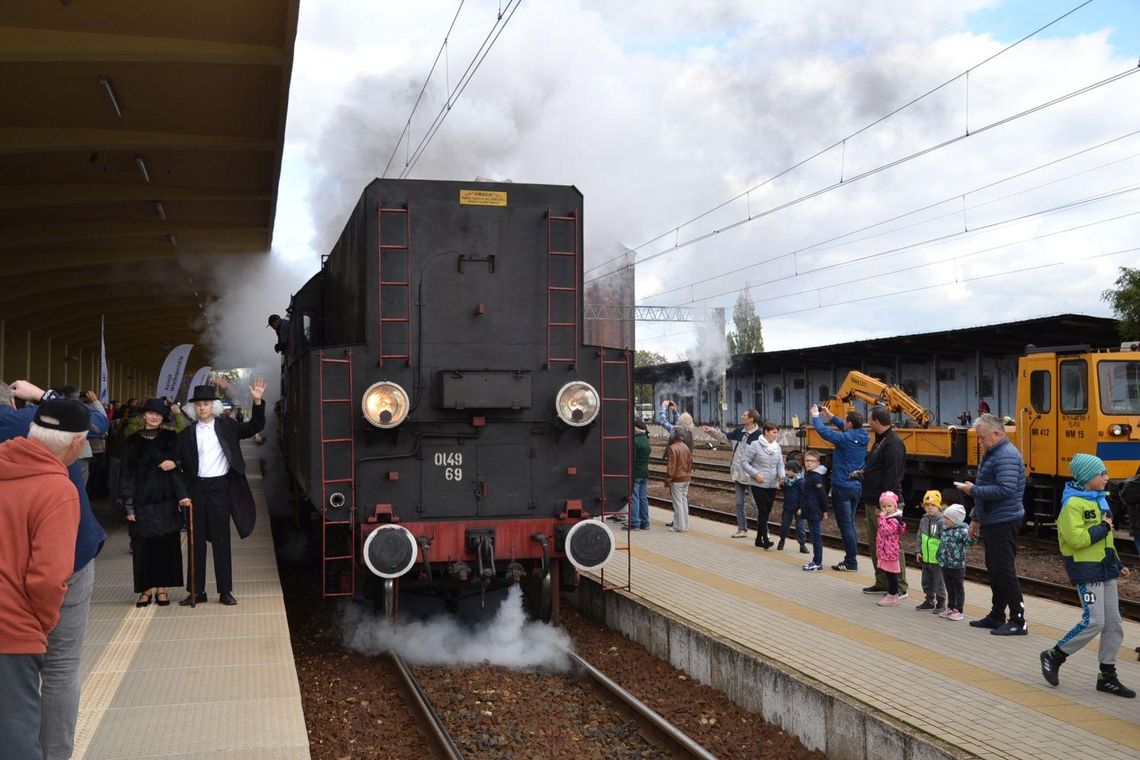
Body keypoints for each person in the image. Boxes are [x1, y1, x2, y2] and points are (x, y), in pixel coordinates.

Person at [2, 381, 107, 760]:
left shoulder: (14, 443)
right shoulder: (47, 443)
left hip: (10, 572)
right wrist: (43, 395)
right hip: (67, 564)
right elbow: (95, 421)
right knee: (60, 670)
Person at [1039, 454, 1134, 698]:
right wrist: (1103, 528)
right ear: (1086, 477)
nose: (1107, 478)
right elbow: (1076, 540)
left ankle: (1107, 675)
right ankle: (1055, 655)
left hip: (1105, 568)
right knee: (1094, 621)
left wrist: (1117, 562)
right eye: (1102, 474)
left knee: (1114, 624)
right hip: (1086, 570)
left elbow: (1108, 539)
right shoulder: (1072, 505)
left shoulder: (1099, 500)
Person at [178, 380, 267, 606]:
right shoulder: (186, 434)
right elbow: (178, 464)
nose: (202, 408)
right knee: (195, 542)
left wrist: (257, 401)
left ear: (214, 407)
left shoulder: (227, 426)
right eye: (198, 404)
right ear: (192, 409)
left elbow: (255, 425)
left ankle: (225, 590)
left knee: (221, 541)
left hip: (220, 488)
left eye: (206, 404)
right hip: (196, 490)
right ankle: (196, 592)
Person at [956, 413, 1027, 635]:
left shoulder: (1006, 455)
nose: (980, 442)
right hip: (993, 518)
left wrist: (972, 490)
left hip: (1004, 520)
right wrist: (976, 517)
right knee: (995, 569)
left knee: (1004, 570)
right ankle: (997, 615)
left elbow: (1005, 490)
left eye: (982, 438)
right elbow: (987, 486)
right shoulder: (994, 452)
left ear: (997, 434)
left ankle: (1018, 620)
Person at [120, 399, 188, 608]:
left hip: (167, 499)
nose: (155, 417)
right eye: (151, 413)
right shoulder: (132, 441)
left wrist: (175, 463)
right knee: (142, 546)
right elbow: (126, 474)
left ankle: (162, 588)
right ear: (144, 416)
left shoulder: (171, 437)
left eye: (158, 414)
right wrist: (128, 504)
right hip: (142, 501)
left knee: (166, 545)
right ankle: (146, 589)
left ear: (163, 417)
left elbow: (185, 460)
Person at [810, 406, 869, 572]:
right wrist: (831, 416)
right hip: (856, 486)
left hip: (841, 486)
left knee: (846, 525)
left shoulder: (844, 438)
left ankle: (851, 562)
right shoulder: (864, 435)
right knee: (849, 523)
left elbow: (823, 432)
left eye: (845, 421)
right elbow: (846, 429)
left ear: (849, 423)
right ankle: (851, 559)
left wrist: (816, 416)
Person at [857, 407, 908, 596]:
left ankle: (899, 586)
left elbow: (893, 475)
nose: (868, 424)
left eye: (869, 420)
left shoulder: (893, 444)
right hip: (873, 501)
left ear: (877, 421)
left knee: (892, 545)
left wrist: (886, 505)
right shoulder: (880, 441)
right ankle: (882, 582)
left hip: (885, 504)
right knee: (876, 543)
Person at [702, 409, 762, 538]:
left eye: (744, 415)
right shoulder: (739, 431)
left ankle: (763, 530)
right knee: (739, 503)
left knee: (756, 503)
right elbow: (725, 437)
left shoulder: (759, 435)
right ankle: (742, 529)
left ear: (751, 419)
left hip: (752, 476)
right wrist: (711, 431)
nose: (742, 416)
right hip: (738, 473)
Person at [741, 422, 784, 549]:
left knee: (767, 511)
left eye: (777, 432)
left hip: (772, 485)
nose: (776, 435)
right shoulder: (755, 445)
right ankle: (765, 540)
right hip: (758, 484)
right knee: (763, 511)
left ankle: (758, 539)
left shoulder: (777, 447)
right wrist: (755, 474)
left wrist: (782, 475)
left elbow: (780, 464)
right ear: (766, 432)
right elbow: (744, 462)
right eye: (774, 432)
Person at [937, 504, 972, 621]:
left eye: (947, 518)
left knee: (958, 588)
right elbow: (942, 544)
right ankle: (951, 607)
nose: (944, 520)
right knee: (949, 587)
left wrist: (973, 533)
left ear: (955, 520)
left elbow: (970, 541)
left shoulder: (963, 531)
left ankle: (959, 610)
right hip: (946, 563)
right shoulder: (946, 529)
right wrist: (939, 555)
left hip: (957, 565)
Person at [915, 490, 947, 612]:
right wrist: (918, 550)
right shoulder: (924, 519)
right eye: (927, 505)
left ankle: (941, 603)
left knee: (939, 582)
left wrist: (941, 554)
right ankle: (929, 600)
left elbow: (944, 540)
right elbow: (919, 536)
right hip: (926, 557)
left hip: (937, 558)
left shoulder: (941, 521)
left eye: (933, 505)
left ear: (938, 506)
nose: (929, 507)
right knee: (926, 581)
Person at [875, 491, 907, 607]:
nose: (886, 508)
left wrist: (881, 518)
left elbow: (885, 531)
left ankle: (893, 595)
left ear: (895, 506)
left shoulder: (894, 520)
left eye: (889, 506)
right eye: (884, 506)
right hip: (885, 551)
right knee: (889, 574)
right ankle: (891, 594)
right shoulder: (889, 518)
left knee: (892, 574)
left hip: (890, 552)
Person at [800, 452, 829, 571]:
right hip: (810, 508)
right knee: (813, 535)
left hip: (814, 510)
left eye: (811, 461)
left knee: (816, 536)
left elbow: (822, 494)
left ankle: (817, 562)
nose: (808, 463)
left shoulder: (816, 476)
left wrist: (825, 510)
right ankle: (816, 560)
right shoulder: (809, 474)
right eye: (807, 460)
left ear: (817, 463)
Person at [663, 428, 691, 532]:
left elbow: (671, 466)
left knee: (677, 502)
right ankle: (685, 525)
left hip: (677, 478)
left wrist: (668, 479)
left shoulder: (672, 448)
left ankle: (679, 526)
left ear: (673, 437)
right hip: (686, 477)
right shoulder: (686, 447)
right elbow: (690, 462)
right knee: (684, 501)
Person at [778, 460, 807, 552]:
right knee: (784, 525)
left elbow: (804, 495)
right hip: (788, 506)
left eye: (788, 470)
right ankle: (781, 541)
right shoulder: (787, 480)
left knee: (800, 527)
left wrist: (801, 507)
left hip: (798, 508)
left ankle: (802, 545)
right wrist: (781, 485)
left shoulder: (801, 481)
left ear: (793, 470)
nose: (786, 472)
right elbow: (785, 492)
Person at [627, 418, 651, 531]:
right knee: (643, 498)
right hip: (645, 472)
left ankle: (635, 522)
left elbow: (632, 459)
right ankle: (645, 522)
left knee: (634, 498)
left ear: (635, 429)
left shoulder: (634, 441)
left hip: (635, 473)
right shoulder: (646, 440)